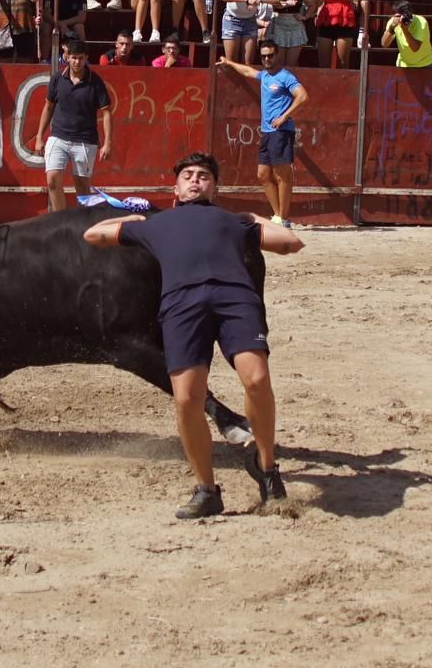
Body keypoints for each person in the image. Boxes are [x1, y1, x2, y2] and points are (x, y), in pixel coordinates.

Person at [84, 152, 303, 518]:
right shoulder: (155, 224)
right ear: (176, 187)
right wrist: (134, 217)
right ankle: (207, 490)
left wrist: (252, 218)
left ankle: (267, 470)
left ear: (214, 188)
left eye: (204, 176)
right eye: (188, 175)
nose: (195, 179)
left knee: (258, 378)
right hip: (182, 305)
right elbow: (94, 234)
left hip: (235, 298)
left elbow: (291, 242)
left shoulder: (235, 222)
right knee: (187, 399)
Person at [218, 39, 308, 226]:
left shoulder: (285, 76)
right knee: (263, 174)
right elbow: (248, 71)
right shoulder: (265, 76)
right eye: (264, 56)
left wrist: (284, 116)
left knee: (282, 175)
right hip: (268, 131)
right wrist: (229, 63)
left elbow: (303, 96)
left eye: (270, 55)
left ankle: (283, 218)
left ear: (277, 56)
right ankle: (278, 215)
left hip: (281, 130)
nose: (267, 59)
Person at [35, 40, 112, 212]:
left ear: (86, 59)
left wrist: (107, 143)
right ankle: (62, 222)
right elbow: (48, 107)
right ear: (67, 58)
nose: (77, 62)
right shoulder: (57, 79)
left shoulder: (96, 82)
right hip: (58, 136)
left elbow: (106, 112)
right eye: (74, 58)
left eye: (81, 58)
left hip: (85, 140)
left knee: (82, 189)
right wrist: (40, 136)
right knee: (52, 180)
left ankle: (83, 225)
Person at [260, 0, 307, 67]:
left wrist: (305, 16)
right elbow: (276, 3)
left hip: (296, 26)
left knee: (292, 64)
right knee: (278, 63)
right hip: (278, 24)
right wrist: (287, 4)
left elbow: (313, 3)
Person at [219, 0, 265, 65]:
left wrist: (259, 0)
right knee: (232, 61)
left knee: (248, 62)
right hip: (232, 20)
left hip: (250, 21)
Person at [380, 0, 432, 68]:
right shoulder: (393, 22)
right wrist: (392, 27)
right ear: (396, 15)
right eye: (401, 15)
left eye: (407, 14)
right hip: (403, 63)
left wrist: (404, 29)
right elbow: (384, 44)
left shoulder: (422, 22)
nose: (405, 18)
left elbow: (415, 48)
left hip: (424, 63)